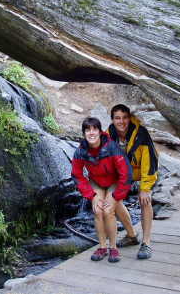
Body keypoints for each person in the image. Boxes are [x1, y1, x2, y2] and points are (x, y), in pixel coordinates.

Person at [71, 117, 132, 263]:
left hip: (114, 181)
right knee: (98, 210)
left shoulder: (112, 147)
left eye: (94, 129)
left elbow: (126, 172)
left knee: (108, 209)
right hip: (96, 182)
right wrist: (92, 195)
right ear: (84, 133)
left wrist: (116, 195)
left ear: (99, 131)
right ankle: (102, 247)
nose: (91, 133)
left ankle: (113, 248)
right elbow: (77, 175)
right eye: (87, 130)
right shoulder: (81, 151)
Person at [107, 104, 158, 259]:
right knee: (111, 199)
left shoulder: (140, 133)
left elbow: (150, 160)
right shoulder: (110, 132)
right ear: (112, 120)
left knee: (145, 200)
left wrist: (145, 188)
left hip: (144, 171)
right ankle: (131, 235)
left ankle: (146, 243)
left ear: (129, 118)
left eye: (124, 117)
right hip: (124, 173)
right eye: (117, 118)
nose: (121, 122)